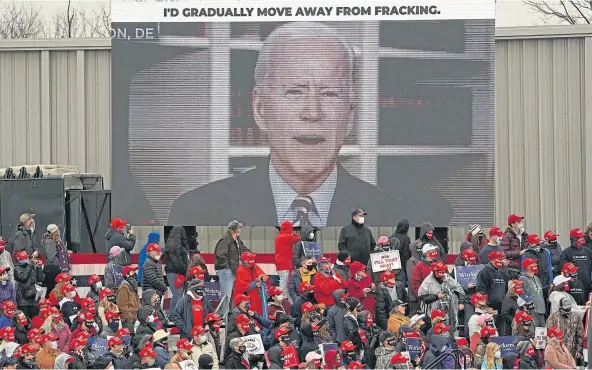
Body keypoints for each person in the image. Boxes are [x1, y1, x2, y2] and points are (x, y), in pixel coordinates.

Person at [168, 22, 437, 228]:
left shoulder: (396, 218)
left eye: (330, 93)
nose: (312, 112)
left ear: (350, 114)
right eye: (294, 92)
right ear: (260, 109)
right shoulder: (195, 213)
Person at [214, 220, 250, 315]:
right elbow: (221, 255)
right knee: (226, 296)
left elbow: (244, 249)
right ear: (235, 229)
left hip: (234, 271)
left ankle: (231, 316)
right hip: (227, 271)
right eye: (239, 227)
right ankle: (224, 317)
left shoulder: (237, 240)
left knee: (232, 296)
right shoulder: (225, 239)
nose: (240, 229)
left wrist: (249, 255)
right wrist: (227, 268)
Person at [418, 261, 465, 333]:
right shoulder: (427, 282)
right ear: (434, 271)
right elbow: (423, 299)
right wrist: (437, 296)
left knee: (449, 329)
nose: (442, 274)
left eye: (443, 272)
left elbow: (459, 289)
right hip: (434, 312)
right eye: (440, 272)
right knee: (437, 329)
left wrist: (461, 302)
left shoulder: (447, 278)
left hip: (449, 309)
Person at [476, 250, 508, 329]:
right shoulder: (484, 272)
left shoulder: (503, 271)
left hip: (502, 308)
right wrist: (486, 306)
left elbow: (506, 288)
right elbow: (481, 290)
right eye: (499, 259)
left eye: (502, 259)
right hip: (490, 309)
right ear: (492, 259)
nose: (501, 261)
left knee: (501, 333)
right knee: (490, 331)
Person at [233, 252, 270, 316]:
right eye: (250, 260)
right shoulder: (240, 270)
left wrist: (264, 277)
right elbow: (242, 288)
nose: (252, 262)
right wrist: (256, 283)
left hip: (257, 297)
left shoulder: (255, 266)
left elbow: (263, 275)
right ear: (245, 261)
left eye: (253, 259)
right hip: (246, 299)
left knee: (260, 315)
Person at [560, 228, 592, 297]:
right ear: (573, 239)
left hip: (588, 286)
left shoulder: (588, 251)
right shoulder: (566, 253)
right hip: (574, 288)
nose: (582, 238)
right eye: (579, 237)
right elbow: (564, 272)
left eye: (582, 237)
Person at [164, 226, 190, 313]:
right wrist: (183, 269)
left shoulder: (173, 242)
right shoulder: (175, 243)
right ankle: (174, 314)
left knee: (177, 294)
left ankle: (174, 313)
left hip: (174, 271)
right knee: (177, 294)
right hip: (175, 271)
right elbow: (176, 258)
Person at [41, 224, 71, 296]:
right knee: (52, 290)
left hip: (55, 269)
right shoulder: (49, 242)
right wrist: (60, 267)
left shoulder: (57, 241)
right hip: (53, 270)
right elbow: (51, 257)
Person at [13, 250, 43, 318]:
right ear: (19, 259)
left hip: (34, 299)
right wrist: (30, 266)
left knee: (35, 320)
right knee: (25, 321)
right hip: (24, 301)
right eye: (25, 258)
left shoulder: (30, 266)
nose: (27, 259)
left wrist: (39, 267)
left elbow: (40, 279)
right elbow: (23, 278)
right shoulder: (17, 268)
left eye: (27, 257)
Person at [275, 220, 301, 296]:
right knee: (284, 284)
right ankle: (282, 300)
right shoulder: (287, 237)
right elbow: (298, 238)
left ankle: (282, 299)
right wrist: (293, 233)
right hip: (285, 264)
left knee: (283, 282)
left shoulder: (279, 236)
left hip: (280, 263)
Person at [519, 257, 546, 327]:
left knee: (542, 333)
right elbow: (521, 295)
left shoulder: (537, 278)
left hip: (541, 310)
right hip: (531, 312)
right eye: (533, 263)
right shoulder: (522, 279)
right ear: (528, 267)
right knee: (533, 333)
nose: (535, 265)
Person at [500, 214, 528, 278]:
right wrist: (519, 253)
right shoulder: (506, 236)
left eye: (521, 221)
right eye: (518, 222)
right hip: (512, 269)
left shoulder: (525, 235)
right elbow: (504, 253)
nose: (521, 223)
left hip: (524, 268)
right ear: (512, 224)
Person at [117, 265, 141, 331]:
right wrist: (131, 318)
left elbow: (138, 303)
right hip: (128, 321)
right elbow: (122, 306)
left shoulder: (133, 287)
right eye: (133, 272)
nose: (135, 274)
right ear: (127, 275)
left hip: (136, 319)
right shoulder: (124, 287)